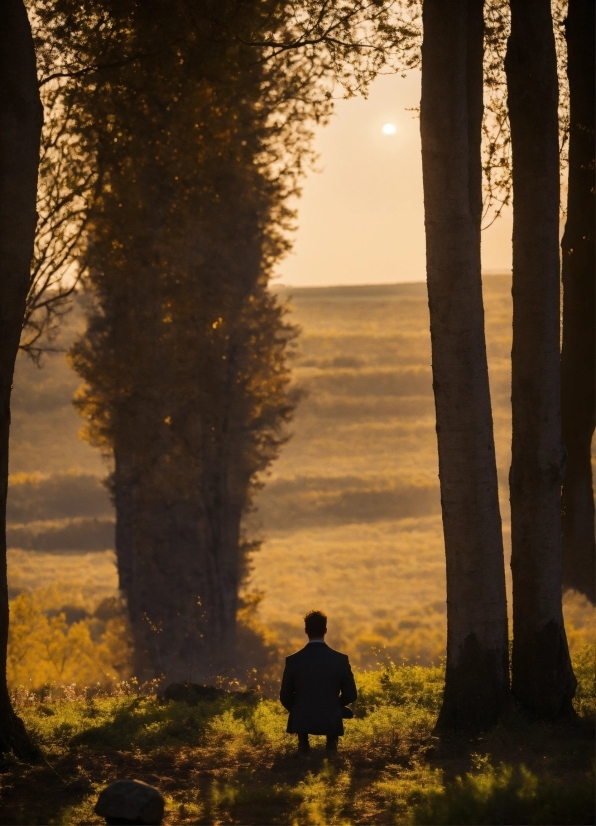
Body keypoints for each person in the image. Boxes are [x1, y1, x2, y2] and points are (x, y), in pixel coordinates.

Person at [280, 610, 357, 753]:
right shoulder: (340, 660)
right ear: (326, 630)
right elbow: (351, 694)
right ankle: (331, 745)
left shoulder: (293, 661)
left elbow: (285, 696)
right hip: (330, 717)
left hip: (302, 717)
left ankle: (303, 744)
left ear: (306, 631)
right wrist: (332, 704)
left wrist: (300, 708)